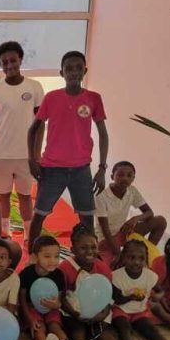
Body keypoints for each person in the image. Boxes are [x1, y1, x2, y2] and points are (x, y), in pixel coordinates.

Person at [26, 51, 109, 253]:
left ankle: (88, 257)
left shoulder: (93, 98)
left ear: (85, 71)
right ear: (61, 73)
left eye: (78, 68)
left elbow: (103, 134)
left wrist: (102, 168)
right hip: (51, 169)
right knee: (39, 215)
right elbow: (33, 129)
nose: (74, 72)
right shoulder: (52, 98)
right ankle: (32, 256)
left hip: (81, 169)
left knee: (87, 217)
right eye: (69, 68)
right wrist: (32, 159)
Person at [60, 224, 157, 340]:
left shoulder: (102, 267)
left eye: (93, 247)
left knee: (104, 332)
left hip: (97, 310)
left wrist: (103, 314)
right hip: (73, 311)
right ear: (73, 250)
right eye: (83, 248)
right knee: (77, 329)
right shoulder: (65, 268)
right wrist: (74, 313)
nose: (89, 251)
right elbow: (61, 297)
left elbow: (108, 295)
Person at [0, 41, 45, 240]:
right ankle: (5, 232)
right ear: (0, 65)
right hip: (1, 153)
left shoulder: (34, 87)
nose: (9, 65)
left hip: (26, 155)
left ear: (20, 59)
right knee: (3, 195)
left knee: (25, 196)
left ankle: (29, 235)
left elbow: (40, 123)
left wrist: (36, 154)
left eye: (13, 60)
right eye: (5, 62)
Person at [96, 161, 167, 264]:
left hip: (125, 231)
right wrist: (118, 254)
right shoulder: (101, 197)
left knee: (160, 221)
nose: (125, 178)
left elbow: (149, 212)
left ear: (133, 178)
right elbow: (106, 231)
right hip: (107, 239)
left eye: (129, 175)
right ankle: (124, 253)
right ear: (112, 177)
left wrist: (135, 219)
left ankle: (145, 254)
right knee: (107, 266)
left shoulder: (132, 191)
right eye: (120, 175)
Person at [18, 235, 73, 340]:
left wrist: (56, 305)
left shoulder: (59, 274)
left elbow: (60, 298)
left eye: (56, 256)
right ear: (35, 257)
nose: (52, 261)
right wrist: (29, 319)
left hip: (51, 308)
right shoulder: (27, 273)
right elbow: (22, 299)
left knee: (54, 325)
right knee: (39, 327)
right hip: (31, 307)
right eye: (47, 256)